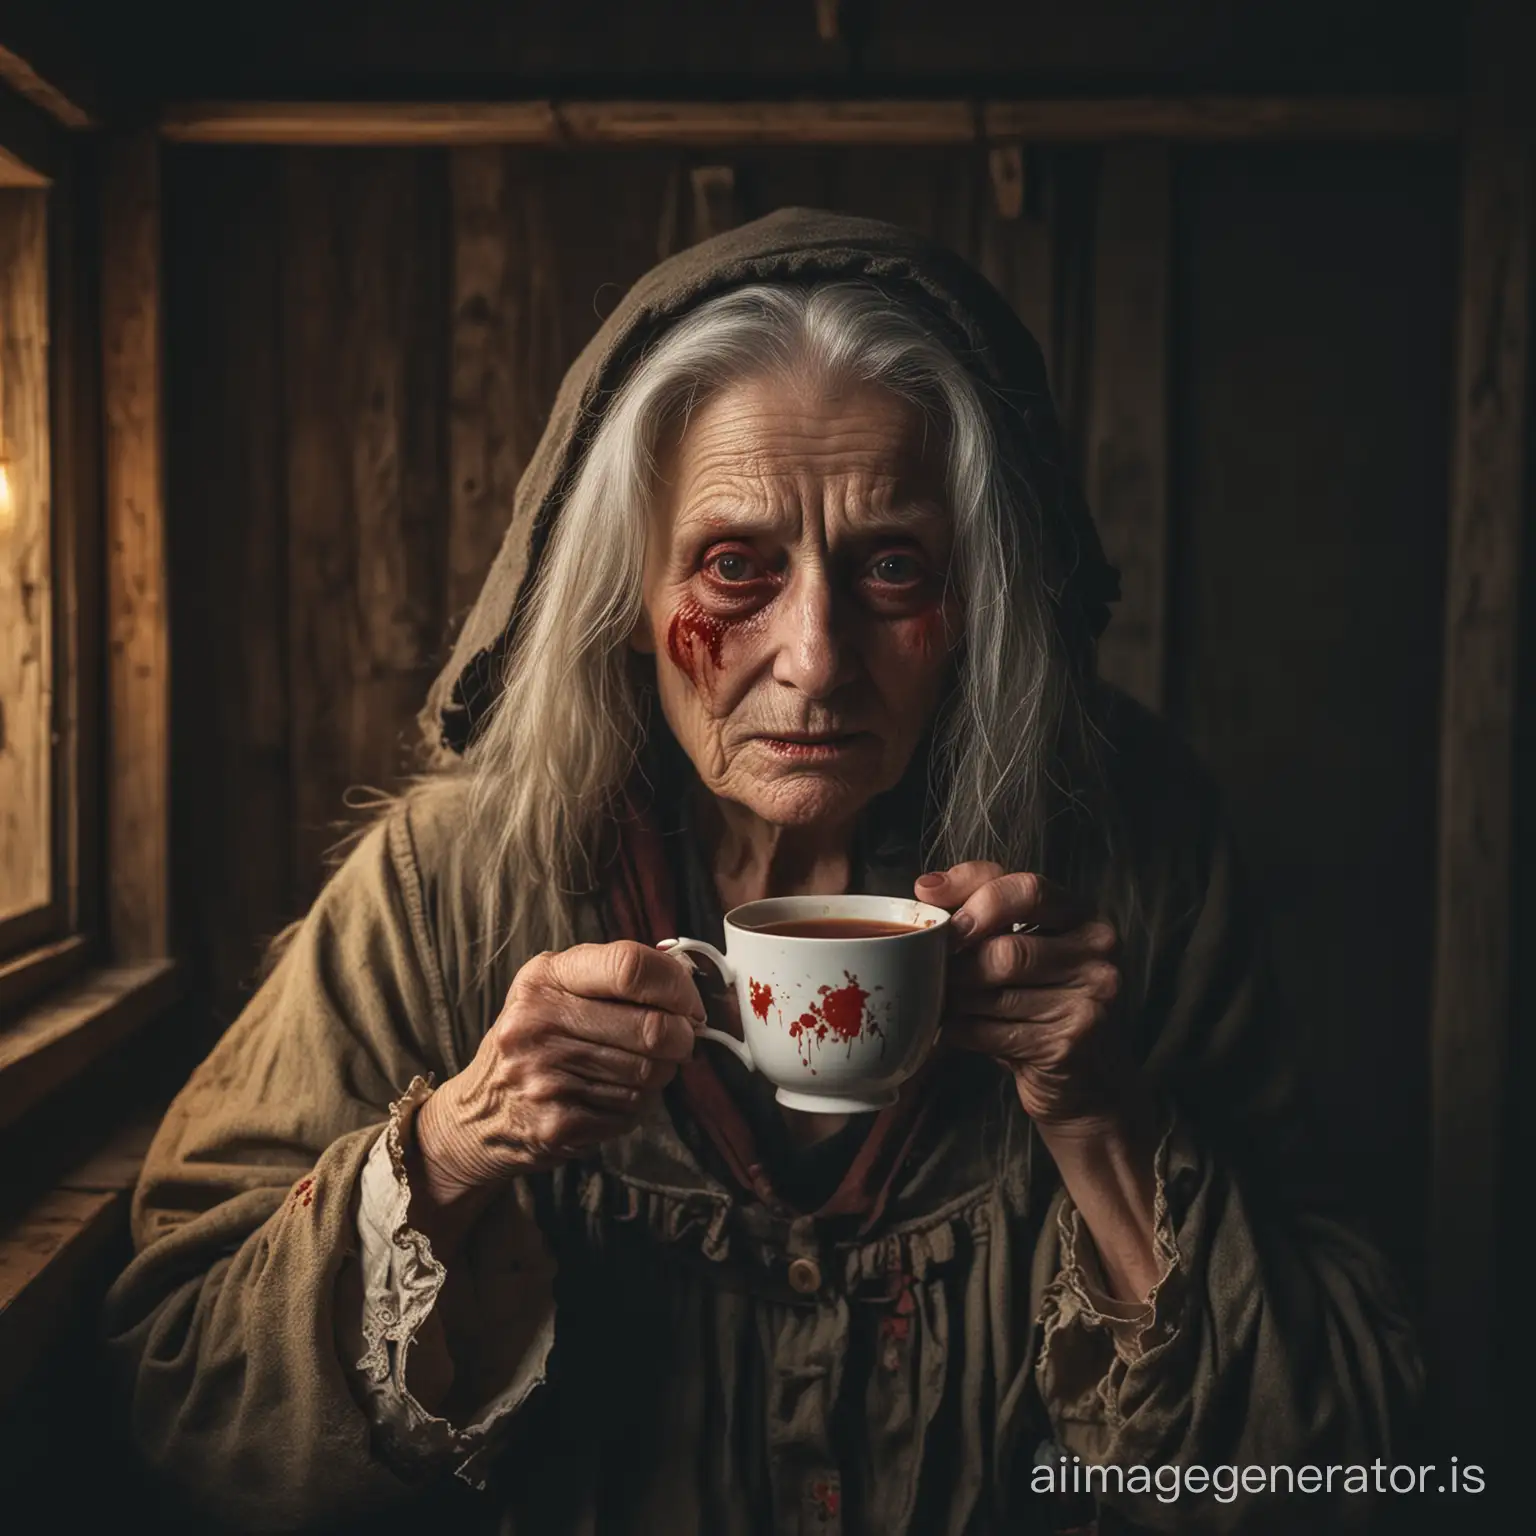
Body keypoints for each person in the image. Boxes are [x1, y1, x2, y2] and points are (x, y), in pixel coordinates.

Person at [106, 209, 1421, 1534]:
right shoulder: (453, 886)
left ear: (979, 597)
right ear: (627, 590)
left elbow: (1339, 1470)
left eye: (893, 566)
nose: (817, 658)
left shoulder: (1131, 866)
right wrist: (455, 1148)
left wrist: (1101, 1117)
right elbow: (186, 1399)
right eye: (737, 567)